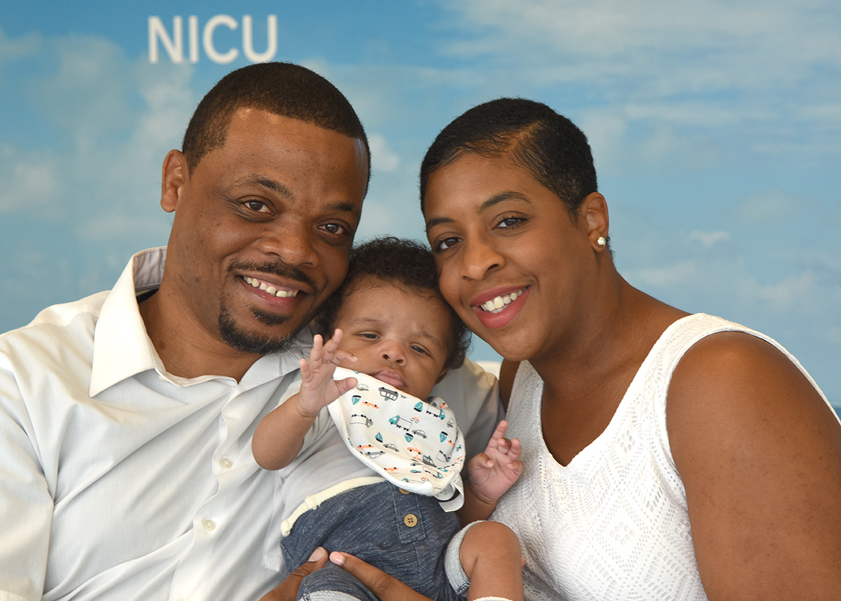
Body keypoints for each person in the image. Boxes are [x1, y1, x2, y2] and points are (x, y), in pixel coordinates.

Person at [0, 63, 503, 601]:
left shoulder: (378, 366)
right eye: (256, 205)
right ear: (175, 183)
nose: (294, 250)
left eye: (331, 227)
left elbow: (539, 382)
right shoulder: (9, 394)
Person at [325, 98, 841, 599]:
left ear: (592, 220)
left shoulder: (725, 381)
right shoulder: (519, 376)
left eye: (508, 221)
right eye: (447, 241)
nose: (475, 262)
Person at [252, 237, 524, 601]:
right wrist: (304, 406)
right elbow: (267, 454)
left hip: (436, 565)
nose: (394, 352)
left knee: (494, 540)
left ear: (442, 372)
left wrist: (479, 492)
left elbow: (450, 517)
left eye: (419, 348)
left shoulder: (433, 423)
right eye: (370, 335)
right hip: (341, 562)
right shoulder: (328, 399)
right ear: (328, 337)